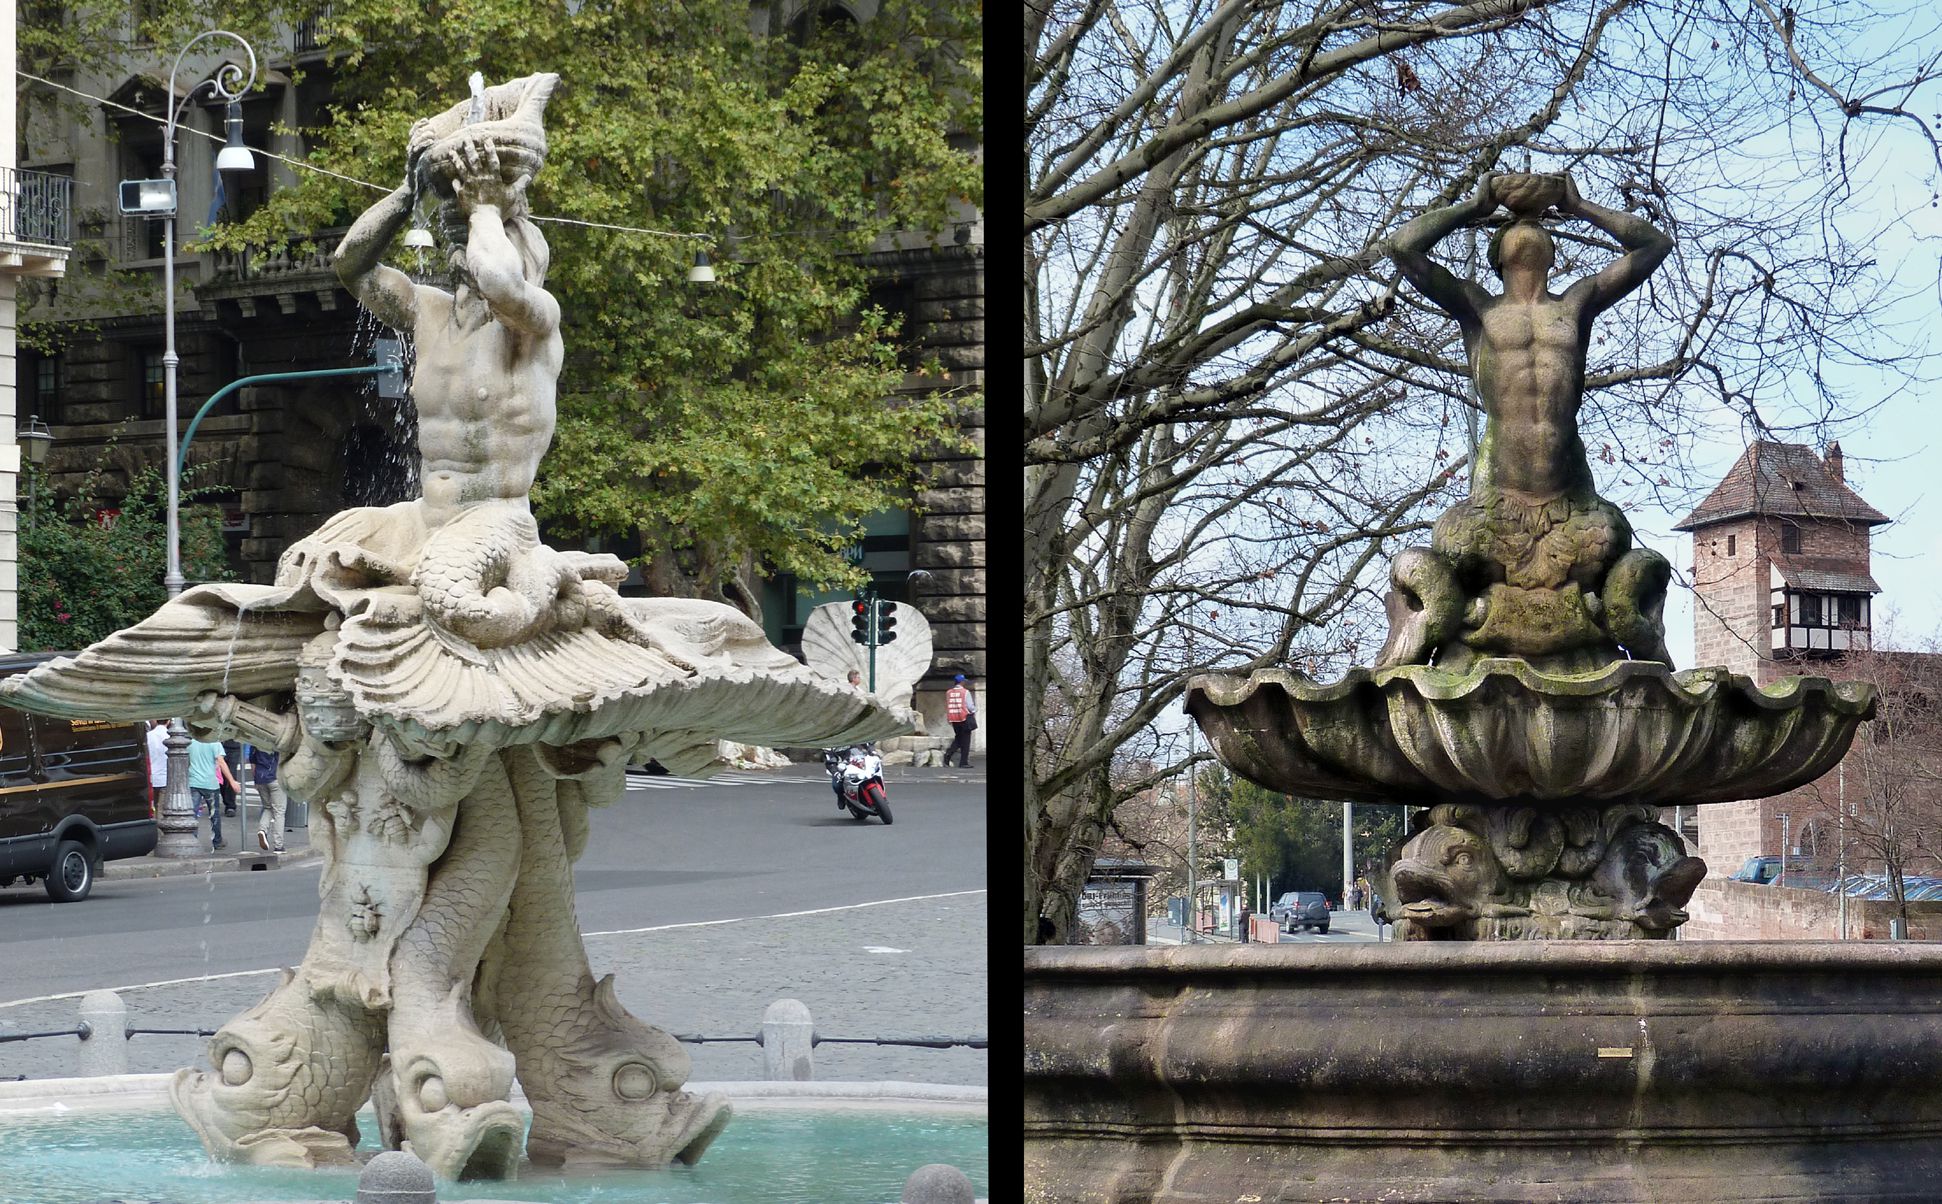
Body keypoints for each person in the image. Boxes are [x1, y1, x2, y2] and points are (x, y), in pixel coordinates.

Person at [189, 734, 240, 851]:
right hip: (210, 783)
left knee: (193, 813)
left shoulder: (191, 743)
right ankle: (217, 840)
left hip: (194, 782)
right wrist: (232, 781)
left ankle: (192, 839)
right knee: (214, 814)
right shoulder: (214, 743)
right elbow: (221, 763)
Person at [245, 744, 290, 854]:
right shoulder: (278, 742)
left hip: (260, 778)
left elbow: (253, 762)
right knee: (279, 811)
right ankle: (278, 846)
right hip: (275, 778)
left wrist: (255, 779)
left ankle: (262, 829)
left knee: (267, 807)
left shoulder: (255, 743)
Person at [943, 674, 977, 768]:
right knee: (966, 740)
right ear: (961, 682)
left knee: (958, 738)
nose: (965, 682)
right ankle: (963, 762)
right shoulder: (965, 692)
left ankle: (948, 755)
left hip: (954, 718)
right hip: (964, 717)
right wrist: (974, 710)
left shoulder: (949, 692)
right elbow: (970, 706)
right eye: (964, 681)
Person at [145, 719, 168, 816]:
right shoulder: (170, 736)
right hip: (165, 778)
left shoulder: (148, 736)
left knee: (152, 808)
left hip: (151, 778)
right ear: (168, 721)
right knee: (162, 809)